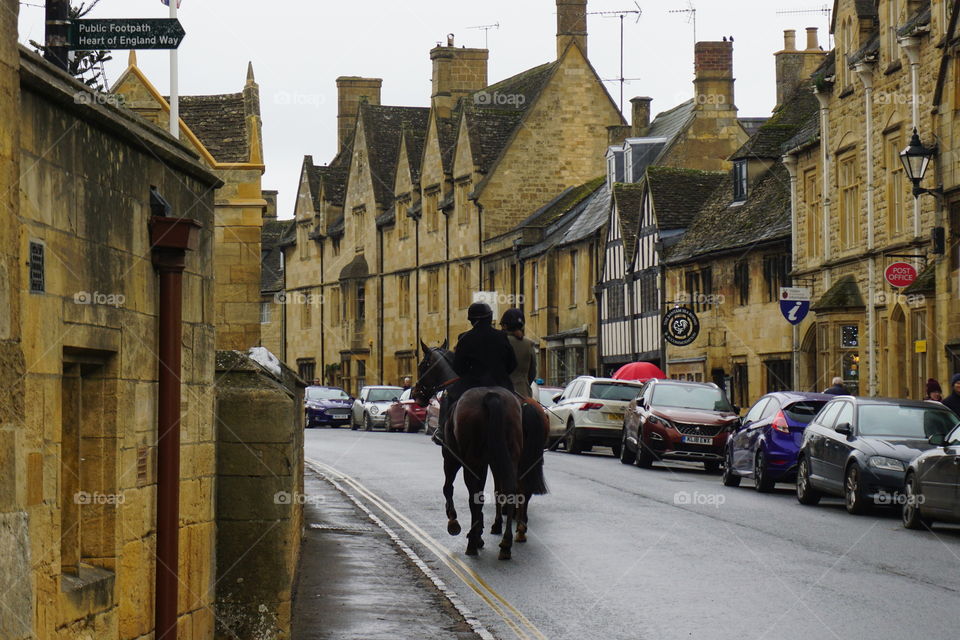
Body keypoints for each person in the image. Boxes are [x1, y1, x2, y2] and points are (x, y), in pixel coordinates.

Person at [434, 302, 517, 446]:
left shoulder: (465, 338)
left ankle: (441, 431)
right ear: (490, 318)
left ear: (472, 320)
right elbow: (512, 364)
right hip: (501, 384)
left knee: (447, 396)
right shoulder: (502, 336)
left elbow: (458, 368)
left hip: (471, 385)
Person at [500, 308, 537, 398]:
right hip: (523, 393)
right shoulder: (529, 344)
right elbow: (532, 372)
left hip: (502, 392)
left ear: (505, 326)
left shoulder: (499, 341)